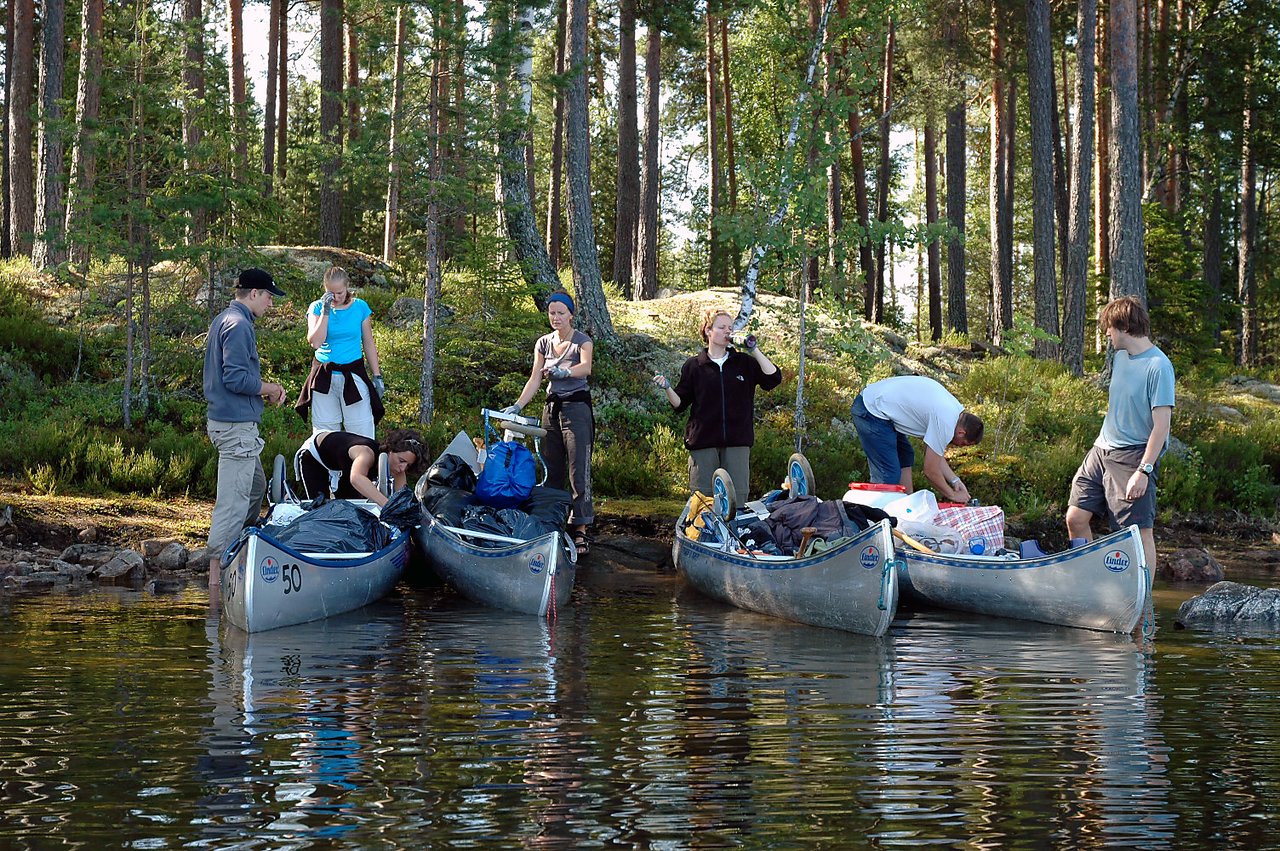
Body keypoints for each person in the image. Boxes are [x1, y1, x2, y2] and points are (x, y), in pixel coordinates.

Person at [1066, 296, 1174, 572]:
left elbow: (1161, 426)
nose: (1106, 333)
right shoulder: (1121, 357)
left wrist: (1144, 470)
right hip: (1101, 450)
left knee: (1136, 534)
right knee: (1075, 519)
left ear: (1124, 327)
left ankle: (1142, 604)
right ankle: (1089, 580)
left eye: (1109, 328)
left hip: (1133, 456)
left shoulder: (1159, 366)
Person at [203, 268, 289, 589]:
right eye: (268, 296)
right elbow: (236, 379)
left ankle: (240, 551)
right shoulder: (238, 325)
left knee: (255, 487)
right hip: (236, 430)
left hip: (236, 426)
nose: (270, 303)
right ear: (253, 293)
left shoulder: (226, 320)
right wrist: (268, 388)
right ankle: (217, 580)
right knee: (233, 501)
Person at [652, 309, 782, 501]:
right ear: (708, 331)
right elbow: (679, 403)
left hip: (737, 442)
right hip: (703, 443)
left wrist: (753, 349)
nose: (727, 332)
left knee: (736, 502)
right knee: (703, 502)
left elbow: (773, 378)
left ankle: (733, 532)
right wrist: (667, 388)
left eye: (730, 328)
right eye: (721, 327)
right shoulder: (694, 366)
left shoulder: (744, 363)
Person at [503, 291, 594, 555]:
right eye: (552, 312)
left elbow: (585, 367)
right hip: (551, 409)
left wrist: (565, 371)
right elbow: (535, 379)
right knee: (550, 467)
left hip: (577, 408)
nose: (556, 317)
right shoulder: (543, 343)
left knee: (579, 470)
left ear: (571, 315)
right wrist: (518, 406)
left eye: (561, 313)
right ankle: (553, 525)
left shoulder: (582, 341)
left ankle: (580, 529)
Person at [850, 375, 983, 502]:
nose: (959, 446)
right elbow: (931, 471)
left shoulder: (953, 411)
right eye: (963, 444)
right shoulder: (946, 423)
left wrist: (955, 481)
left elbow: (935, 456)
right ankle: (876, 519)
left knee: (906, 456)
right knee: (888, 475)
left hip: (881, 406)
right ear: (961, 432)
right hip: (871, 410)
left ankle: (906, 508)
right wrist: (952, 495)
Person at [294, 266, 385, 438]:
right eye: (331, 293)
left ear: (347, 287)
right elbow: (315, 342)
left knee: (361, 430)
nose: (335, 298)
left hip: (353, 375)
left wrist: (377, 375)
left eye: (340, 293)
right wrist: (325, 311)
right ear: (325, 290)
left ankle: (361, 464)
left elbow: (368, 343)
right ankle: (328, 465)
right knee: (325, 433)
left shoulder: (359, 307)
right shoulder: (317, 308)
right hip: (324, 376)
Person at [295, 428, 427, 507]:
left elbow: (402, 497)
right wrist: (388, 505)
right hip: (315, 457)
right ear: (390, 451)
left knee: (352, 506)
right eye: (401, 461)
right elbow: (356, 478)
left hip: (342, 465)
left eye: (408, 465)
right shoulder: (366, 453)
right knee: (318, 505)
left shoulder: (396, 465)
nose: (402, 468)